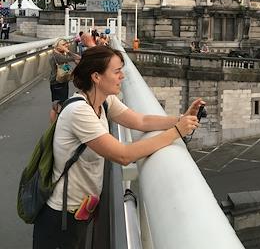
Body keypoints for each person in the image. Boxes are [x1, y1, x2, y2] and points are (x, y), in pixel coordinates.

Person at [33, 46, 204, 248]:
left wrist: (181, 119)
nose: (122, 76)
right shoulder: (79, 112)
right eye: (116, 72)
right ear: (96, 77)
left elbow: (141, 121)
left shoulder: (104, 101)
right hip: (61, 217)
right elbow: (123, 155)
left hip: (80, 210)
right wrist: (177, 132)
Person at [49, 39, 80, 109]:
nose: (66, 46)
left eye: (66, 44)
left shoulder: (59, 54)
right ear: (57, 46)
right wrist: (67, 51)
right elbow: (77, 57)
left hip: (62, 80)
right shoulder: (57, 56)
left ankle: (59, 114)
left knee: (61, 101)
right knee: (59, 103)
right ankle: (57, 115)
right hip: (57, 82)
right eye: (63, 45)